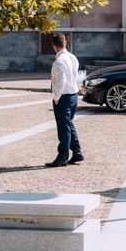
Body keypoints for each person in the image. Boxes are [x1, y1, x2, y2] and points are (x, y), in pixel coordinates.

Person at [45, 33, 84, 167]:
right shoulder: (73, 57)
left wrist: (56, 98)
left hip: (64, 96)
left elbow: (61, 82)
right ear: (65, 43)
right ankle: (77, 152)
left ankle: (62, 157)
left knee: (64, 128)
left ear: (54, 45)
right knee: (69, 125)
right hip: (73, 94)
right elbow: (76, 76)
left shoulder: (58, 62)